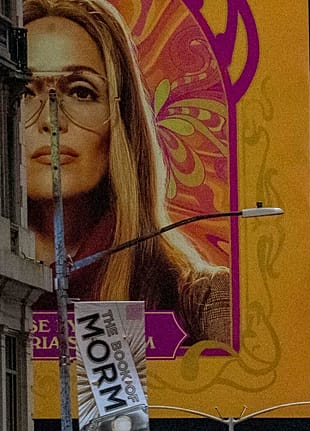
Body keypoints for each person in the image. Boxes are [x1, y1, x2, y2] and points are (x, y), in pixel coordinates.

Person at [22, 0, 234, 347]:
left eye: (80, 91)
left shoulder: (198, 302)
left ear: (122, 121)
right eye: (25, 92)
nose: (51, 119)